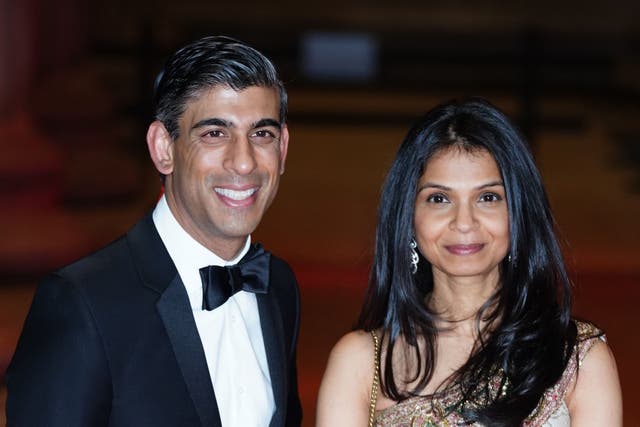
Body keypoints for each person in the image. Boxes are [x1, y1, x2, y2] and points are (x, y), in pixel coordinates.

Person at [6, 35, 302, 427]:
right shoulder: (82, 302)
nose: (244, 163)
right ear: (163, 147)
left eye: (261, 134)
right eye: (214, 133)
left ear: (281, 149)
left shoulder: (278, 286)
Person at [316, 98, 622, 426]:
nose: (464, 222)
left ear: (519, 213)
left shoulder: (575, 361)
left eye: (488, 198)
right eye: (439, 198)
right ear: (409, 217)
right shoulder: (362, 363)